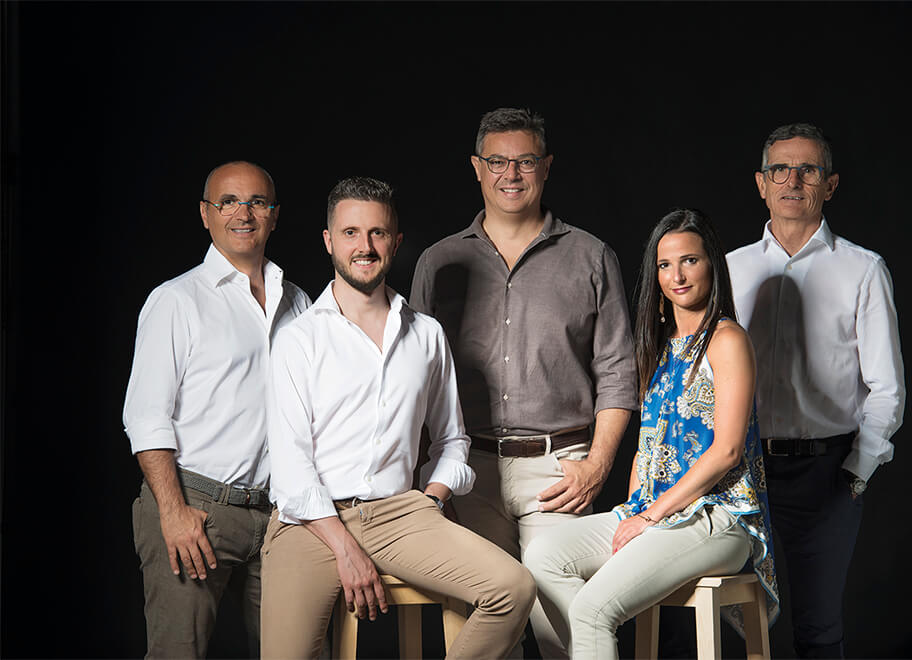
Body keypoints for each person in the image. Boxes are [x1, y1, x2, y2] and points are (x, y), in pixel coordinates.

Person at [260, 177, 536, 659]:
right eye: (350, 233)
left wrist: (431, 498)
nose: (364, 247)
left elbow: (452, 440)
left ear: (396, 241)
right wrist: (346, 550)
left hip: (399, 514)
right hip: (311, 521)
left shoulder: (425, 334)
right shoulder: (298, 339)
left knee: (512, 589)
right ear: (328, 241)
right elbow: (289, 466)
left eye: (377, 233)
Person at [410, 107, 637, 658]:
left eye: (526, 161)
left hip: (559, 471)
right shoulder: (439, 261)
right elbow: (412, 379)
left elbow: (617, 372)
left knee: (559, 632)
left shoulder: (590, 256)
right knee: (486, 632)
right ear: (477, 167)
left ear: (546, 166)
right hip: (469, 471)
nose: (511, 174)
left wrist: (599, 464)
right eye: (497, 161)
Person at [524, 208, 779, 659]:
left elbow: (727, 450)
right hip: (654, 510)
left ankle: (596, 624)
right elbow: (646, 449)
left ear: (711, 266)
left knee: (592, 611)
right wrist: (632, 511)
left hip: (717, 516)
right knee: (544, 555)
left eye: (690, 261)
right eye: (664, 265)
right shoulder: (657, 348)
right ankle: (597, 634)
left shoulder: (727, 339)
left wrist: (650, 517)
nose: (677, 275)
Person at [727, 123, 906, 658]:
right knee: (732, 620)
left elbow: (887, 388)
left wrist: (858, 470)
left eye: (808, 170)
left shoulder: (863, 269)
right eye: (780, 169)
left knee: (818, 627)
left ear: (829, 185)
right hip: (740, 469)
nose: (793, 180)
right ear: (761, 183)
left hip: (825, 474)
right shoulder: (730, 269)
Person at [123, 161, 311, 658]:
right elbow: (146, 417)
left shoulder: (300, 303)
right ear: (206, 214)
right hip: (196, 506)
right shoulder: (176, 301)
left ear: (274, 215)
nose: (243, 213)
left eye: (257, 202)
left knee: (298, 651)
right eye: (228, 201)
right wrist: (173, 511)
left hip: (278, 517)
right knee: (178, 653)